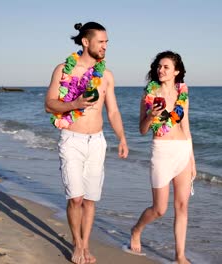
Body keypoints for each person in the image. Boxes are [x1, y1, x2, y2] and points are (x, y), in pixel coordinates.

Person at [45, 22, 129, 264]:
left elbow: (112, 111)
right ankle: (78, 245)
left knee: (90, 199)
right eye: (101, 42)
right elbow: (49, 104)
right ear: (85, 41)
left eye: (106, 43)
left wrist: (122, 138)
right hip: (71, 139)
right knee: (76, 198)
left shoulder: (107, 75)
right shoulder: (63, 70)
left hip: (97, 141)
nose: (105, 46)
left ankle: (86, 243)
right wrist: (74, 104)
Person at [128, 51, 196, 264]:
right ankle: (137, 229)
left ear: (176, 71)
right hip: (162, 151)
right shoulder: (149, 94)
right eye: (159, 66)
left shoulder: (182, 94)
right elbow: (142, 129)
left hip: (183, 150)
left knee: (182, 206)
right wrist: (151, 115)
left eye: (166, 67)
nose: (161, 70)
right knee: (160, 209)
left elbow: (186, 127)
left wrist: (192, 159)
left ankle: (180, 256)